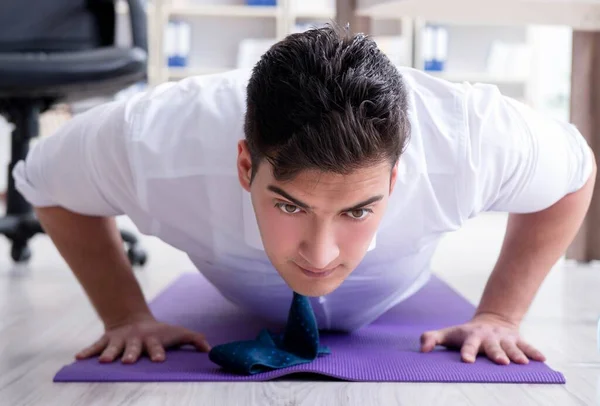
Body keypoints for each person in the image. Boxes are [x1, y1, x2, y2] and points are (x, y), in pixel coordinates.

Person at [13, 25, 596, 367]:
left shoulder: (470, 138)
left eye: (357, 210)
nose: (320, 252)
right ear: (245, 165)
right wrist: (126, 315)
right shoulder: (151, 140)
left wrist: (500, 313)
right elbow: (44, 184)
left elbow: (575, 174)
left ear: (395, 180)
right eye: (291, 205)